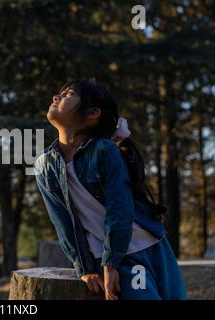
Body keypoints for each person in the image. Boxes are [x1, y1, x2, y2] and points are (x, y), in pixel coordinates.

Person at [35, 79, 187, 300]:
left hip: (153, 244)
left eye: (68, 94)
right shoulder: (44, 166)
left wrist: (110, 262)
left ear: (93, 113)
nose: (56, 98)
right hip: (118, 260)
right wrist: (86, 268)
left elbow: (120, 206)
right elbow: (63, 223)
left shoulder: (104, 150)